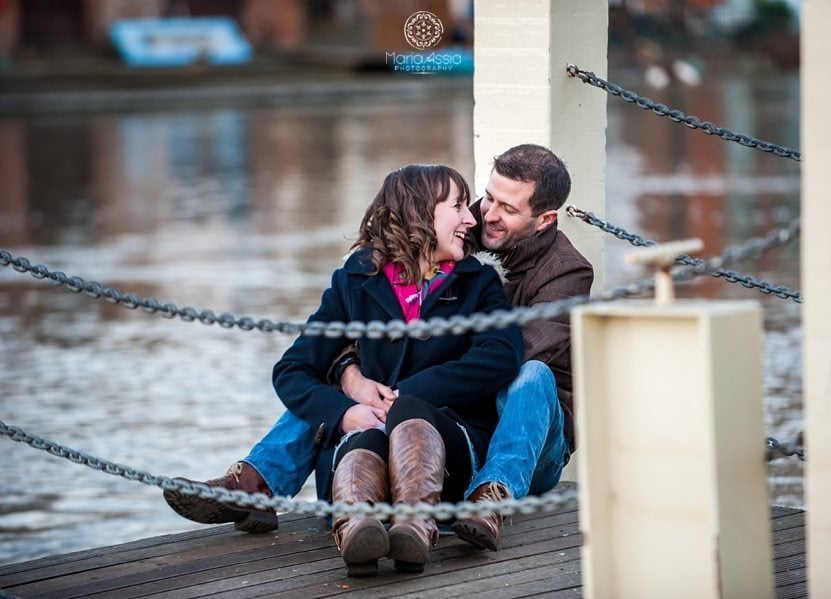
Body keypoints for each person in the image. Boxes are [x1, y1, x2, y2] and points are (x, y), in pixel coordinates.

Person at [163, 144, 593, 553]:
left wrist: (400, 393)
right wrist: (352, 375)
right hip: (420, 409)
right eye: (486, 198)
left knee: (530, 375)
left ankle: (491, 494)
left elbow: (508, 358)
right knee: (328, 388)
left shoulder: (564, 272)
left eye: (507, 208)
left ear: (544, 219)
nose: (484, 215)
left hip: (526, 433)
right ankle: (257, 484)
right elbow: (343, 331)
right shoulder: (459, 232)